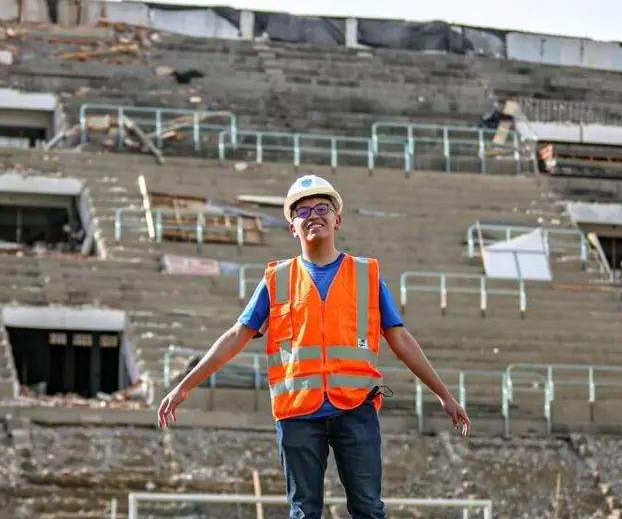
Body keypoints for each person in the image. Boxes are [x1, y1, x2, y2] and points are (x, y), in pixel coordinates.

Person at [157, 175, 471, 519]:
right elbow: (236, 336)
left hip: (356, 409)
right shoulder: (276, 279)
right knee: (304, 511)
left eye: (323, 207)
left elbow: (399, 338)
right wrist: (185, 386)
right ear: (292, 227)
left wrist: (443, 394)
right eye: (303, 211)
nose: (314, 215)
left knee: (368, 508)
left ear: (338, 218)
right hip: (298, 413)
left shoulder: (365, 275)